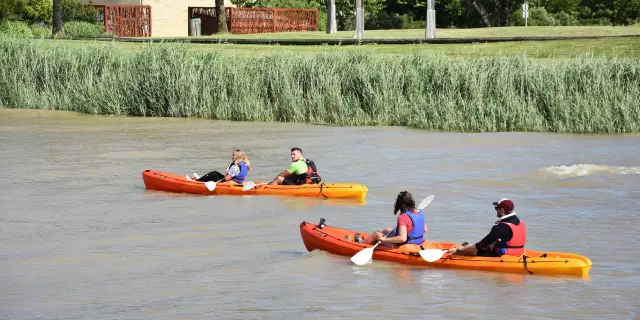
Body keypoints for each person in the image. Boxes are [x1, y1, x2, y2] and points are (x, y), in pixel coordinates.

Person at [449, 198, 526, 257]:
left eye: (497, 208)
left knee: (462, 252)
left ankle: (453, 254)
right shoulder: (521, 223)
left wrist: (462, 249)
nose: (496, 210)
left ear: (502, 210)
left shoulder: (500, 227)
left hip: (503, 256)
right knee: (472, 247)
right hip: (519, 253)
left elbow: (481, 245)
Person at [360, 191, 429, 248]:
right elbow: (425, 229)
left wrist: (385, 239)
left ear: (399, 205)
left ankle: (360, 245)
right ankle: (368, 242)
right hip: (418, 243)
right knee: (386, 230)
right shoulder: (418, 212)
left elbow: (402, 238)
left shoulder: (402, 217)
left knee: (376, 234)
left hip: (404, 246)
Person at [186, 149, 252, 185]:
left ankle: (196, 181)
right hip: (238, 181)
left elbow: (226, 179)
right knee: (216, 174)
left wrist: (227, 170)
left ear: (237, 157)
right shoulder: (246, 164)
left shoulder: (235, 167)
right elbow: (244, 177)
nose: (232, 156)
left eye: (233, 155)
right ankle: (201, 179)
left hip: (229, 183)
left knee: (214, 174)